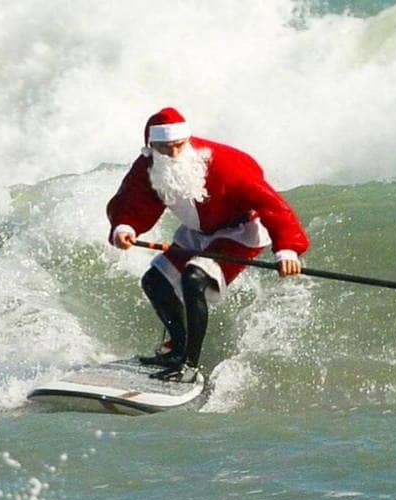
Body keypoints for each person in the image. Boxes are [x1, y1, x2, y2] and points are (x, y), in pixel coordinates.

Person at [107, 107, 309, 381]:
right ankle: (177, 351)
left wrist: (287, 249)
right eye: (165, 148)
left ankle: (189, 366)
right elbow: (133, 199)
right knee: (155, 282)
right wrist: (125, 226)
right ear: (151, 146)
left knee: (194, 279)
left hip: (239, 233)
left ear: (187, 140)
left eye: (179, 145)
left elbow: (272, 205)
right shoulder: (148, 166)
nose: (173, 153)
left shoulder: (227, 164)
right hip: (196, 233)